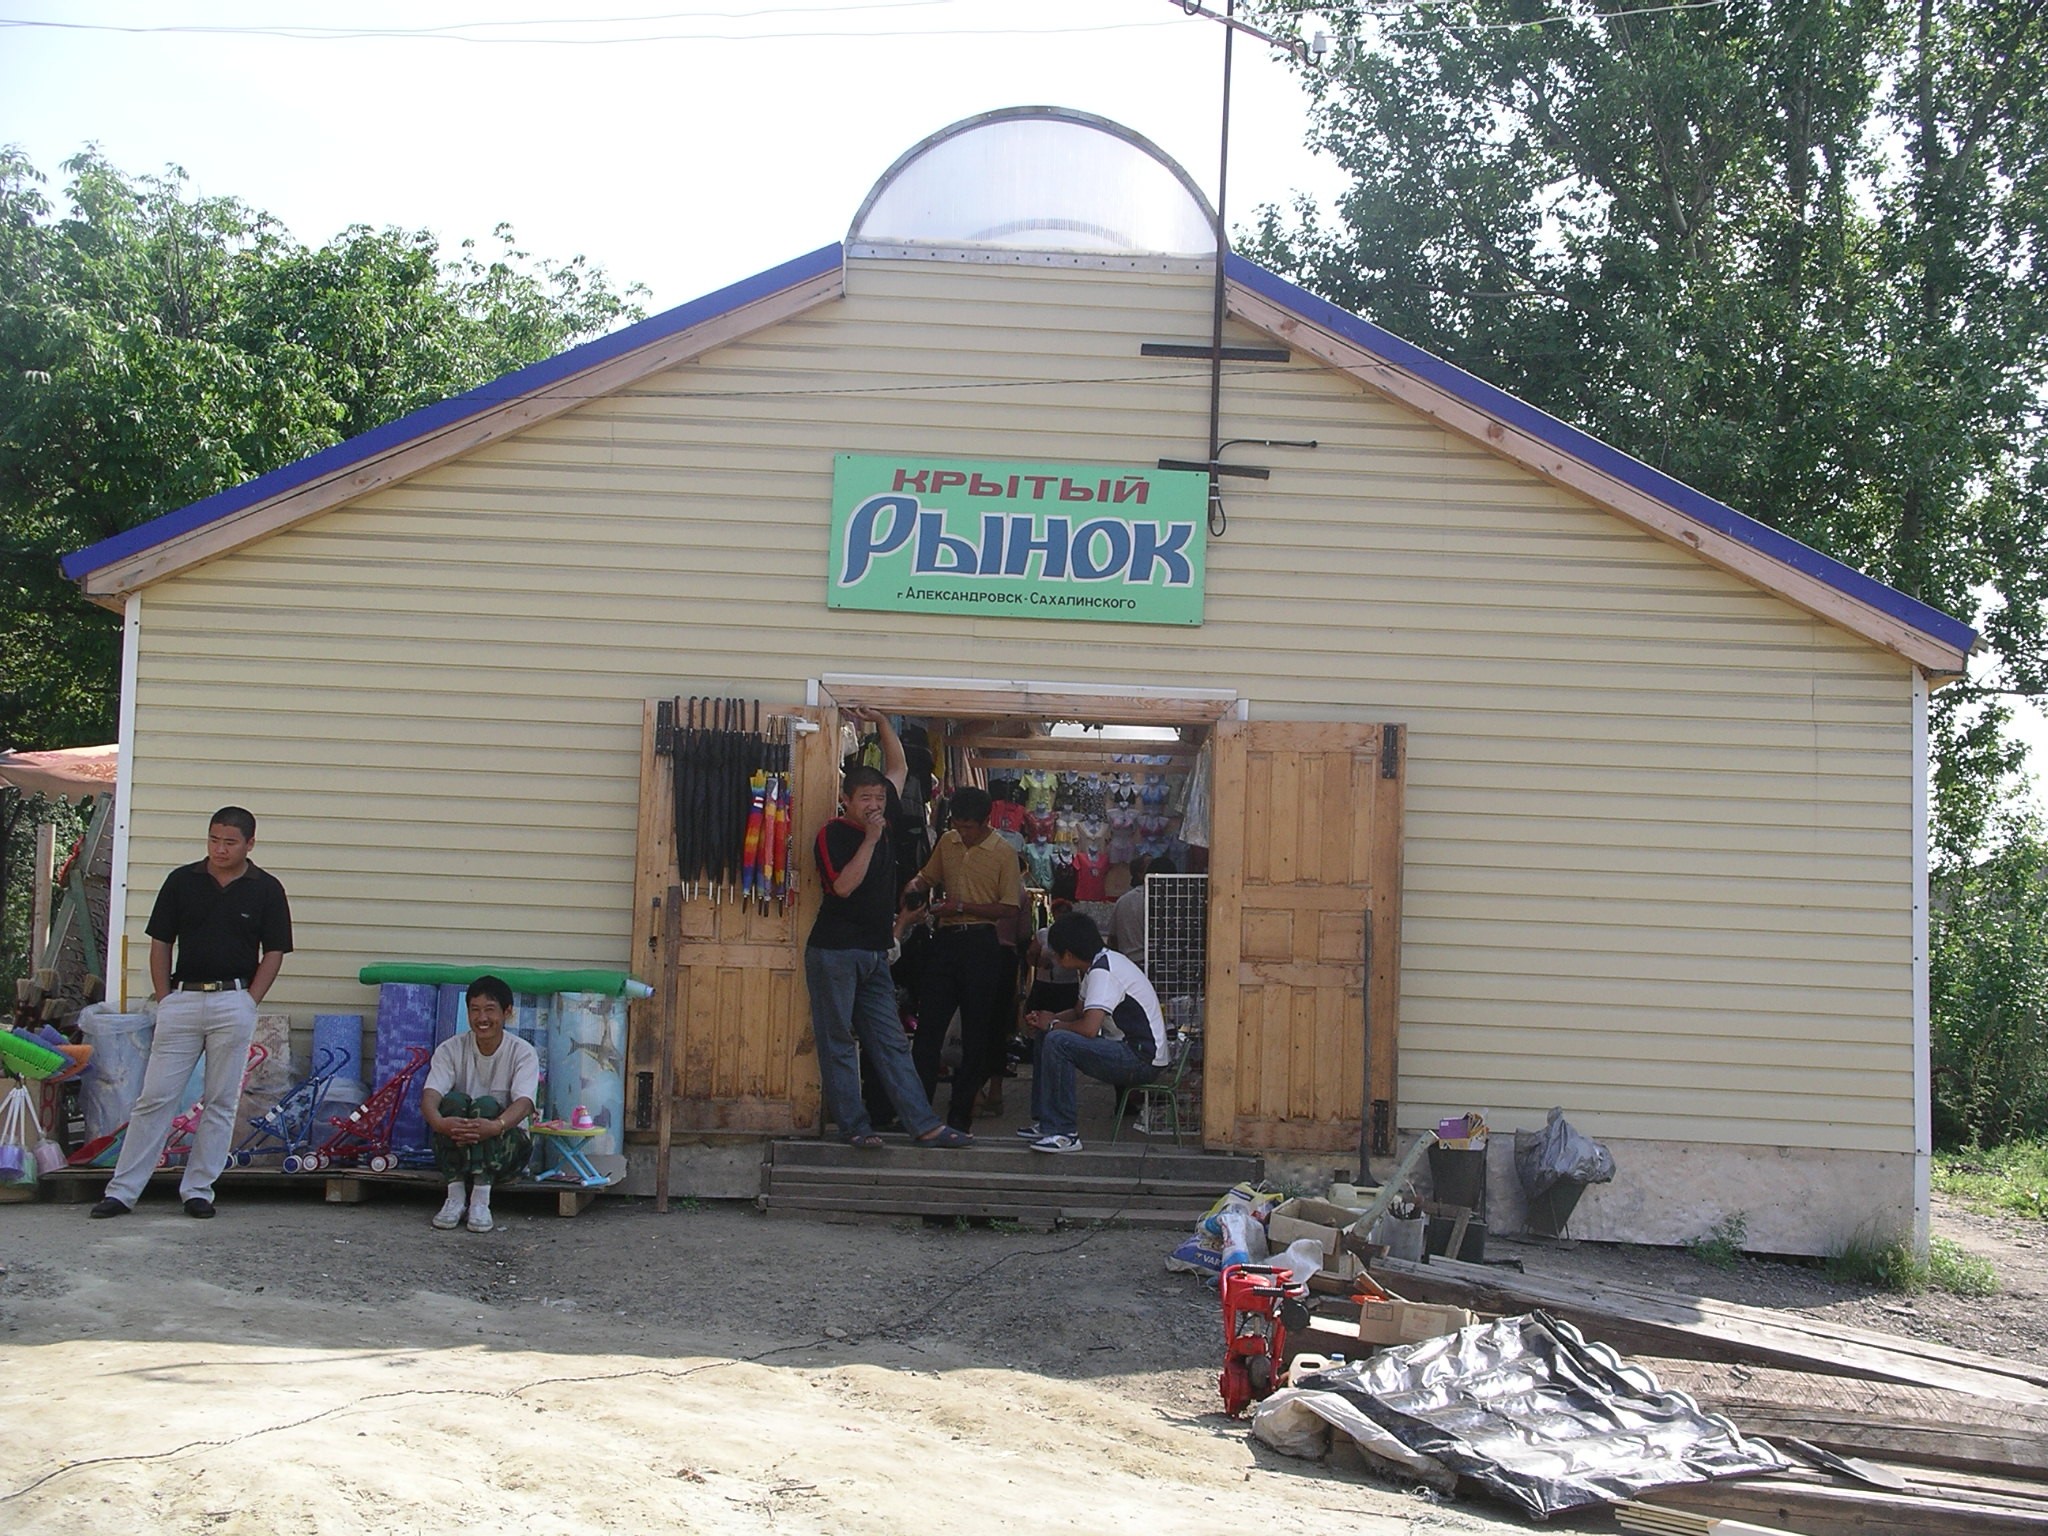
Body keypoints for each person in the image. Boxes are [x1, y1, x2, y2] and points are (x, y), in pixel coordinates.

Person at [92, 807, 293, 1220]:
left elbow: (275, 951)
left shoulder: (267, 889)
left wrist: (250, 1000)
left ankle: (198, 1189)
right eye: (214, 840)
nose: (220, 849)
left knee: (220, 1100)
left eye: (230, 842)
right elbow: (161, 942)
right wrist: (165, 997)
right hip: (181, 1000)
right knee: (154, 1098)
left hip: (233, 999)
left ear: (250, 844)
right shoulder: (181, 881)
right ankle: (123, 1191)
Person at [807, 710, 972, 1149]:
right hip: (834, 952)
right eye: (865, 798)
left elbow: (898, 767)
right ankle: (855, 1127)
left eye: (879, 798)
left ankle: (924, 1124)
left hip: (874, 953)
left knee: (892, 1042)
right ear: (846, 800)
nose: (875, 805)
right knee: (840, 1043)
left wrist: (882, 723)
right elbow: (843, 887)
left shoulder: (888, 817)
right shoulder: (833, 834)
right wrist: (870, 840)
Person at [904, 784, 1023, 1133]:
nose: (962, 832)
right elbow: (928, 876)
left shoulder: (1004, 853)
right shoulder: (947, 842)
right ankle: (919, 1112)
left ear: (986, 821)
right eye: (957, 825)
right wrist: (914, 887)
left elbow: (1009, 907)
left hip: (981, 944)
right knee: (928, 1030)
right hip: (945, 942)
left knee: (976, 1033)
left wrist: (960, 906)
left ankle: (960, 1115)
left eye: (968, 827)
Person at [1018, 911, 1170, 1154]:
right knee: (1048, 1035)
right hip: (1131, 1051)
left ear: (1068, 954)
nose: (1053, 959)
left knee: (1057, 1040)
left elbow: (1089, 1028)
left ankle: (1065, 1132)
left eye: (1055, 953)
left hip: (1141, 1059)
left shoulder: (1104, 971)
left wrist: (1053, 1025)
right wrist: (1048, 1019)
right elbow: (1078, 1012)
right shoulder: (1098, 964)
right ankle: (1046, 1123)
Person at [420, 975, 539, 1233]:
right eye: (475, 1010)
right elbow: (430, 1094)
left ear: (507, 1012)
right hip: (461, 1145)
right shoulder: (450, 1049)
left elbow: (524, 1103)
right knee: (453, 1102)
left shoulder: (522, 1052)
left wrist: (496, 1126)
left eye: (489, 1009)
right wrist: (439, 1123)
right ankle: (455, 1196)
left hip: (505, 1149)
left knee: (486, 1106)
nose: (482, 1018)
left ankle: (480, 1200)